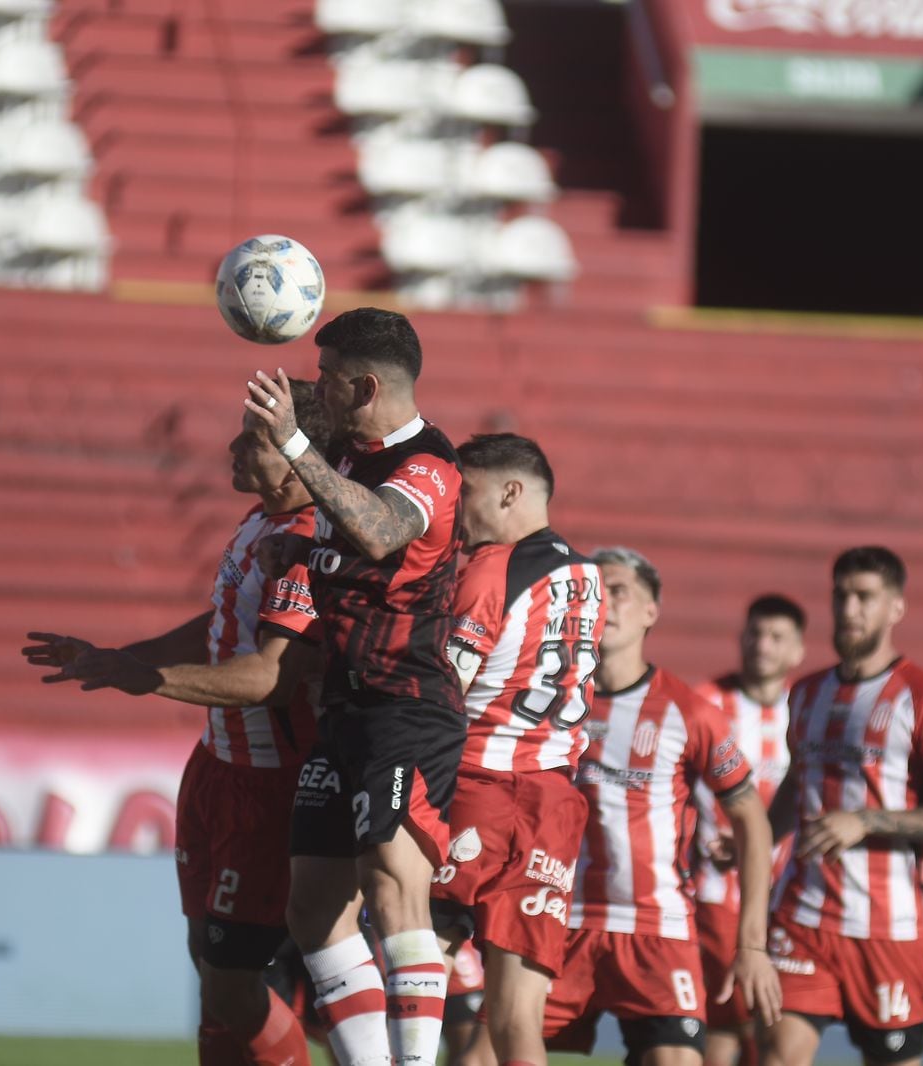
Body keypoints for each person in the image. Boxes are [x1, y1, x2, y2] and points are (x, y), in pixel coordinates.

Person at [20, 382, 331, 1066]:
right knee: (210, 965)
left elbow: (271, 680)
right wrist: (120, 658)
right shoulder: (260, 522)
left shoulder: (310, 546)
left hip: (268, 786)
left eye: (250, 438)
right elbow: (218, 628)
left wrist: (149, 681)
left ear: (295, 454)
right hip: (215, 769)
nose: (231, 446)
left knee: (233, 982)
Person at [243, 307, 466, 1066]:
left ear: (366, 386)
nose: (317, 388)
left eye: (327, 377)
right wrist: (296, 550)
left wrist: (295, 444)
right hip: (342, 707)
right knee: (311, 906)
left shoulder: (431, 468)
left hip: (405, 704)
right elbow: (343, 545)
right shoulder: (346, 453)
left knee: (393, 888)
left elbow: (377, 531)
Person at [543, 547, 782, 1066]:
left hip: (655, 926)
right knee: (479, 1053)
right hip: (555, 917)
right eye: (595, 592)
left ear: (652, 611)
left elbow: (752, 823)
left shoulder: (688, 711)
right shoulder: (546, 699)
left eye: (620, 590)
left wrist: (753, 946)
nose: (606, 602)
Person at [760, 547, 923, 1066]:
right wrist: (756, 840)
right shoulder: (806, 694)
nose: (850, 609)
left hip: (886, 927)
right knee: (776, 1053)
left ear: (896, 608)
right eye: (841, 596)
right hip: (804, 914)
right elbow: (799, 783)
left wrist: (864, 821)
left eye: (865, 597)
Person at [429, 432, 606, 1066]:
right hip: (554, 804)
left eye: (465, 492)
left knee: (412, 972)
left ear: (510, 492)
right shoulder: (589, 577)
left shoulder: (491, 567)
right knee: (514, 1022)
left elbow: (444, 687)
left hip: (477, 786)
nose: (453, 510)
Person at [691, 595, 807, 1066]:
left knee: (772, 1035)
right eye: (755, 633)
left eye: (777, 637)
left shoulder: (805, 711)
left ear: (798, 650)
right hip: (717, 894)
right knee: (733, 1029)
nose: (762, 645)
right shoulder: (705, 703)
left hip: (787, 899)